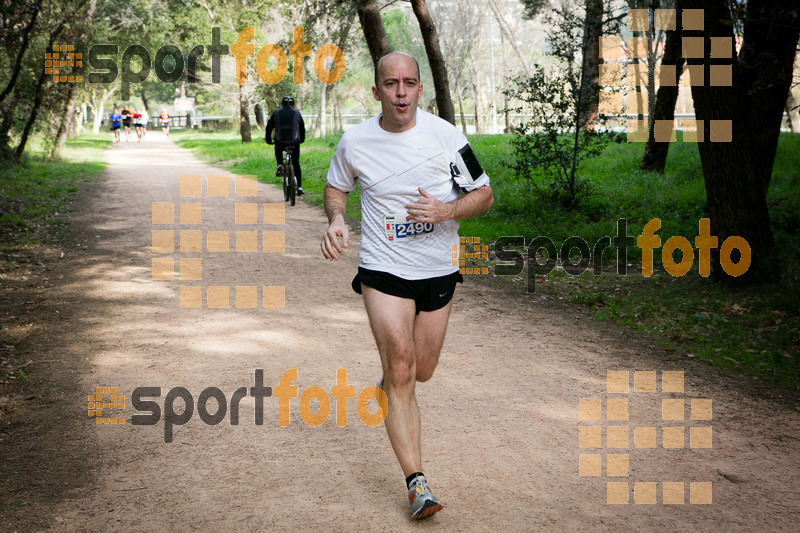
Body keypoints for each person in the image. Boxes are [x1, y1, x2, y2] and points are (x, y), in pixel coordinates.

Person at [320, 52, 493, 520]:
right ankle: (417, 483)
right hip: (383, 268)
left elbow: (483, 193)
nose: (400, 92)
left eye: (409, 83)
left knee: (422, 369)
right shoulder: (356, 140)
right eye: (391, 83)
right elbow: (337, 186)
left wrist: (446, 211)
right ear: (376, 90)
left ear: (420, 90)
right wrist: (337, 217)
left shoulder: (446, 137)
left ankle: (391, 386)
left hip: (438, 268)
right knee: (401, 365)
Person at [265, 96, 306, 195]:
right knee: (296, 163)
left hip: (280, 142)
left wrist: (268, 140)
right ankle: (299, 187)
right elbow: (302, 129)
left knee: (277, 148)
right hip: (294, 142)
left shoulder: (276, 113)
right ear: (293, 104)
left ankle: (279, 164)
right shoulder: (297, 113)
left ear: (282, 104)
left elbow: (269, 128)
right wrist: (301, 140)